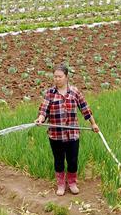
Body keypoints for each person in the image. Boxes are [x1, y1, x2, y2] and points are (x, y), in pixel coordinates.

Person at [34, 65, 99, 196]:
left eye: (60, 76)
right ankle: (61, 184)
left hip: (72, 135)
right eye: (55, 77)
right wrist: (40, 119)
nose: (57, 79)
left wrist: (93, 124)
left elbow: (85, 109)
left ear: (66, 77)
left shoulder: (74, 92)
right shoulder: (50, 93)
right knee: (58, 160)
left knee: (72, 160)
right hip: (56, 135)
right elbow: (44, 110)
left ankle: (72, 182)